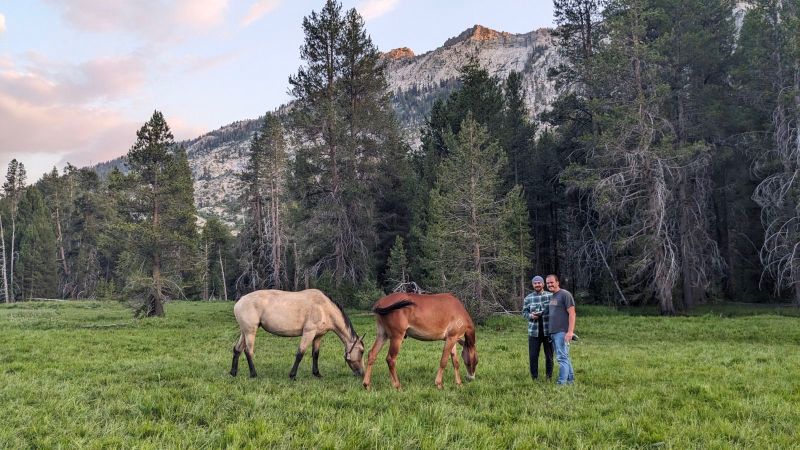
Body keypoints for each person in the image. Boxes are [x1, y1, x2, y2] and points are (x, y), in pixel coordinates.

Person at [521, 275, 553, 380]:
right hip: (534, 332)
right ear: (533, 285)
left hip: (548, 331)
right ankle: (534, 377)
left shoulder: (551, 296)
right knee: (533, 355)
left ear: (543, 284)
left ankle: (549, 377)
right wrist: (531, 315)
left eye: (539, 283)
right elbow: (524, 313)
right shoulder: (528, 298)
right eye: (535, 283)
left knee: (549, 356)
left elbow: (556, 308)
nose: (537, 285)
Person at [546, 274, 575, 385]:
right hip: (553, 332)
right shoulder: (553, 296)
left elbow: (572, 313)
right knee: (565, 357)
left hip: (562, 332)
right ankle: (570, 381)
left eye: (552, 282)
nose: (549, 284)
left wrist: (570, 331)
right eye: (548, 283)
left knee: (561, 358)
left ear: (557, 282)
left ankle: (561, 383)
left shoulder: (565, 294)